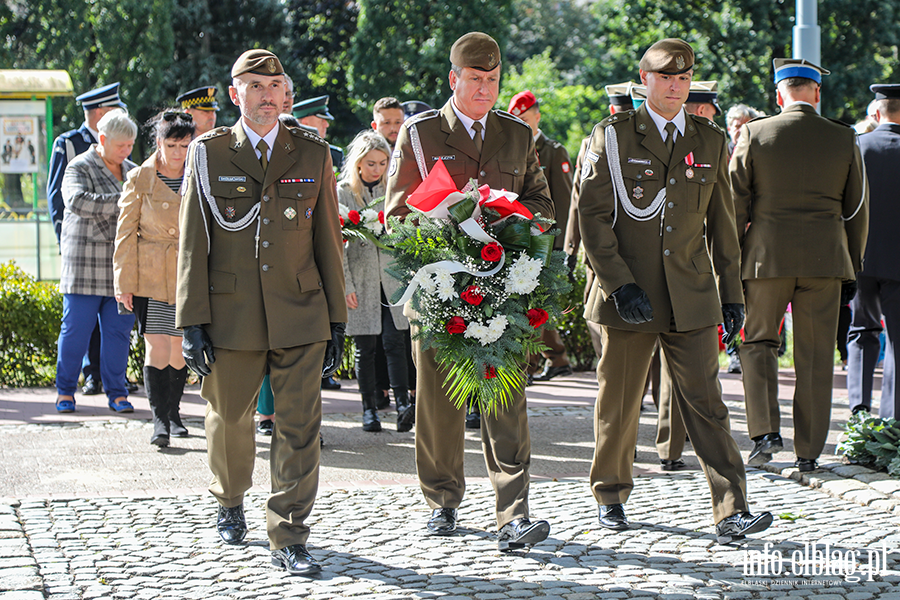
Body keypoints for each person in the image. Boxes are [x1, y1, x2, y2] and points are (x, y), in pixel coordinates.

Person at [578, 38, 773, 544]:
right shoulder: (613, 135)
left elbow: (723, 228)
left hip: (689, 294)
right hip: (630, 296)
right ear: (643, 80)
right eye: (665, 77)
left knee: (707, 403)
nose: (675, 86)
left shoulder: (709, 140)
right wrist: (619, 284)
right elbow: (594, 221)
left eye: (683, 79)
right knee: (618, 402)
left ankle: (732, 507)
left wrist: (733, 296)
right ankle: (611, 493)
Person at [176, 49, 345, 577]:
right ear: (235, 94)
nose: (266, 96)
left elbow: (327, 238)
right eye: (254, 86)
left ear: (285, 95)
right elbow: (191, 244)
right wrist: (191, 321)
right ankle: (229, 498)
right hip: (231, 315)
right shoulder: (209, 154)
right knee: (230, 420)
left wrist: (336, 319)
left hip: (300, 310)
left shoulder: (312, 153)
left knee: (299, 426)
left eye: (274, 87)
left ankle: (289, 531)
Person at [385, 32, 555, 552]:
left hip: (501, 288)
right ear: (453, 79)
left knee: (507, 401)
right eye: (475, 80)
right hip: (442, 289)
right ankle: (441, 503)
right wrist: (446, 222)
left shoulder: (515, 134)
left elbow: (542, 204)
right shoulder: (420, 134)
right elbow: (395, 216)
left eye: (493, 80)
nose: (485, 89)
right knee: (440, 405)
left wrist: (517, 225)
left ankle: (514, 511)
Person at [730, 58, 869, 473]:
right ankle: (808, 450)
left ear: (778, 94)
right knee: (815, 356)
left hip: (764, 259)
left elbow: (734, 205)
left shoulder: (754, 133)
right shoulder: (844, 137)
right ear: (816, 93)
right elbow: (857, 210)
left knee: (757, 344)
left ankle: (764, 433)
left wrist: (731, 262)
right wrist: (852, 265)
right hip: (825, 261)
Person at [114, 110, 195, 447]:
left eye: (184, 145)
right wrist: (123, 282)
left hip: (186, 270)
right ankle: (159, 420)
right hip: (149, 270)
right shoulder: (139, 178)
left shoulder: (197, 174)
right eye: (171, 144)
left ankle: (174, 413)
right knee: (157, 344)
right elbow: (125, 232)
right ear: (159, 142)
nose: (178, 153)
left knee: (180, 347)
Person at [47, 82, 129, 397]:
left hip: (114, 258)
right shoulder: (70, 144)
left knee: (114, 330)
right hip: (82, 252)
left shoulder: (125, 152)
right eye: (113, 111)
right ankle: (82, 378)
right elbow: (58, 197)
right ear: (98, 114)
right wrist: (61, 240)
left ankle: (108, 381)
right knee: (80, 327)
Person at [338, 130, 413, 432]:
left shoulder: (392, 187)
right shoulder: (343, 191)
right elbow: (336, 243)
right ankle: (369, 409)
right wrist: (345, 285)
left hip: (391, 279)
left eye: (383, 163)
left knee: (396, 342)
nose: (377, 169)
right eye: (371, 163)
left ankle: (403, 405)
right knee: (365, 347)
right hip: (361, 279)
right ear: (358, 163)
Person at [508, 90, 575, 384]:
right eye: (515, 120)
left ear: (537, 116)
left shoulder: (553, 151)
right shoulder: (510, 148)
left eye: (524, 118)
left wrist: (560, 249)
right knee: (527, 301)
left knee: (535, 303)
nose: (520, 124)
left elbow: (562, 202)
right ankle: (554, 358)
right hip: (518, 239)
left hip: (545, 243)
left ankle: (531, 365)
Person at [847, 84, 900, 418]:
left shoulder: (856, 147)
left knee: (861, 333)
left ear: (876, 113)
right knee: (897, 342)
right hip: (898, 261)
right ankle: (893, 421)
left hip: (860, 258)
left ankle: (858, 415)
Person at [293, 94, 344, 174]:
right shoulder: (289, 152)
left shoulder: (335, 155)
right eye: (322, 120)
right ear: (305, 123)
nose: (327, 125)